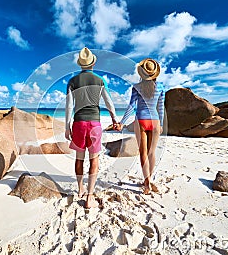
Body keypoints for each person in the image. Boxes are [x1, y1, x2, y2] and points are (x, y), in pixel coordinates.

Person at [65, 47, 119, 209]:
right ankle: (89, 196)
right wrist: (114, 118)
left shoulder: (72, 82)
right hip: (94, 124)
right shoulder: (100, 80)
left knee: (79, 158)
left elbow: (69, 106)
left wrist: (67, 127)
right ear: (93, 62)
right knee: (94, 159)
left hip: (79, 123)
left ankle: (80, 189)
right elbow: (109, 102)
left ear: (80, 64)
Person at [115, 58, 165, 195]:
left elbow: (132, 107)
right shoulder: (161, 87)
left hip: (141, 121)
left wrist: (122, 122)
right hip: (154, 121)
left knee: (143, 153)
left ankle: (147, 181)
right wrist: (160, 123)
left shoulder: (136, 87)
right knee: (151, 153)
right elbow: (161, 108)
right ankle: (149, 178)